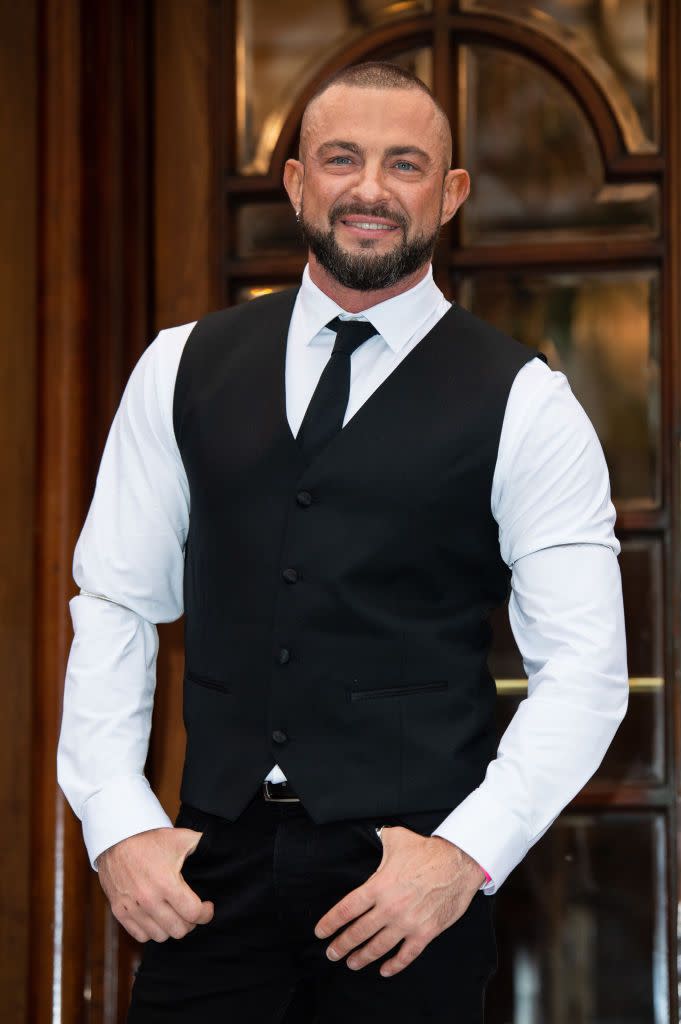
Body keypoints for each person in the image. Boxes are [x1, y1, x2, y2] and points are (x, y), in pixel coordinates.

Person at [57, 61, 628, 1022]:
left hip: (405, 886)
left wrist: (462, 858)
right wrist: (118, 826)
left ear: (449, 195)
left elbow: (585, 670)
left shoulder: (528, 402)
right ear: (295, 183)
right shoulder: (179, 366)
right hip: (209, 875)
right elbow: (115, 604)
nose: (369, 188)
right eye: (341, 159)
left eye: (405, 164)